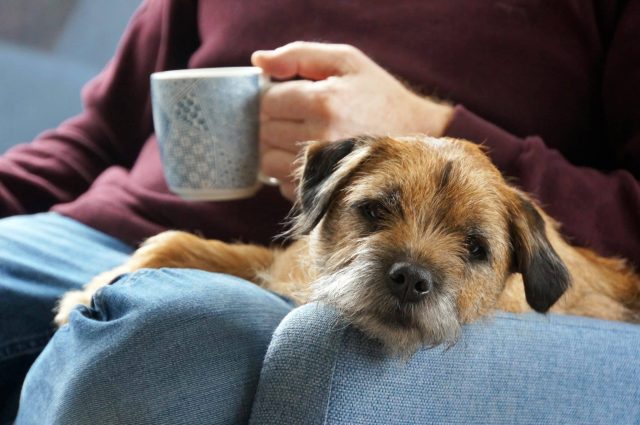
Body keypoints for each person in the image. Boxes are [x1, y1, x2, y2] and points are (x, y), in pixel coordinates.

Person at [2, 0, 638, 423]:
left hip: (236, 298)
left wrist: (427, 124)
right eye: (377, 211)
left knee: (154, 337)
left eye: (469, 244)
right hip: (88, 228)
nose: (415, 261)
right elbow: (98, 133)